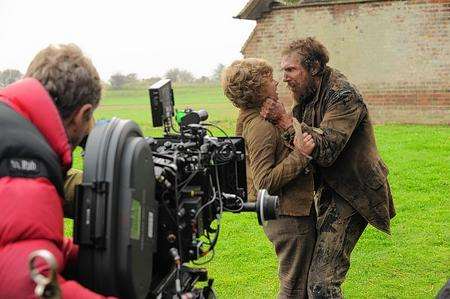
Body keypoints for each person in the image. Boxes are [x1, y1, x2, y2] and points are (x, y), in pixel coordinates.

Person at [261, 37, 396, 298]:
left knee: (321, 285)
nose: (285, 77)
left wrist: (284, 120)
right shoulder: (306, 96)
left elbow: (325, 151)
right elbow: (301, 146)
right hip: (329, 190)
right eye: (283, 70)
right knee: (308, 275)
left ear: (314, 67)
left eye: (291, 69)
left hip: (353, 193)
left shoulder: (343, 95)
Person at [0, 44, 114, 298]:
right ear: (83, 114)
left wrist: (91, 257)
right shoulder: (23, 159)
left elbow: (19, 242)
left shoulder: (9, 128)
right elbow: (27, 287)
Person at [222, 58, 317, 299]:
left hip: (289, 214)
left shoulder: (258, 118)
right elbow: (264, 182)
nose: (276, 81)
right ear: (256, 89)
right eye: (268, 78)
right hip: (288, 217)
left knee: (302, 286)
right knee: (294, 288)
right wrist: (300, 156)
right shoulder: (260, 126)